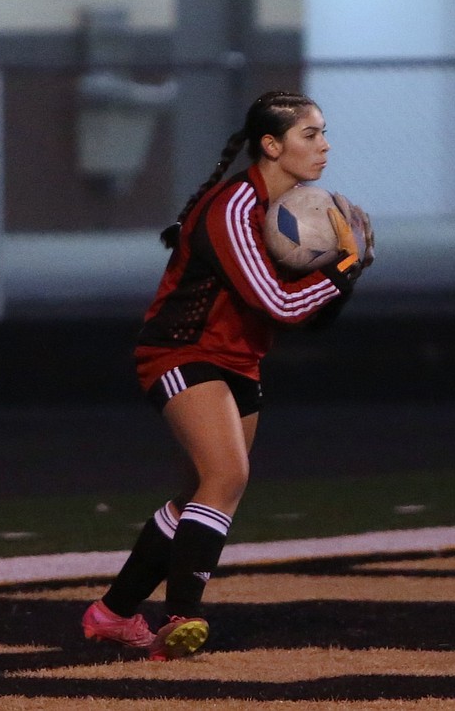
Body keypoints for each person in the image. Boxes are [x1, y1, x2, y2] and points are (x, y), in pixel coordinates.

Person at [81, 91, 374, 661]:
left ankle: (112, 614)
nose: (324, 145)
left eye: (323, 133)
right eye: (310, 134)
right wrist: (342, 264)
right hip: (180, 352)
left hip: (240, 360)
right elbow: (279, 304)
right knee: (226, 475)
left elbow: (305, 318)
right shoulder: (235, 208)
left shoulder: (295, 208)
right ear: (271, 144)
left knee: (201, 493)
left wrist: (347, 271)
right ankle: (182, 617)